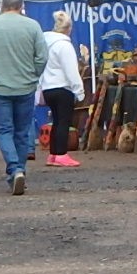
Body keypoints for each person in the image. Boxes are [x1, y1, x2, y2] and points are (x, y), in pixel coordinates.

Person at [0, 0, 48, 196]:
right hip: (25, 86)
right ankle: (20, 170)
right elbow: (42, 56)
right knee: (22, 131)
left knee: (4, 131)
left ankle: (14, 169)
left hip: (0, 87)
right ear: (21, 6)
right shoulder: (33, 26)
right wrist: (34, 75)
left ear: (1, 6)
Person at [39, 11, 86, 168]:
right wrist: (79, 91)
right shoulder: (65, 46)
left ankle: (53, 154)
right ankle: (61, 154)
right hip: (62, 88)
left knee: (56, 121)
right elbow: (71, 70)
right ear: (69, 28)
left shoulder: (46, 44)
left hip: (48, 88)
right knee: (63, 121)